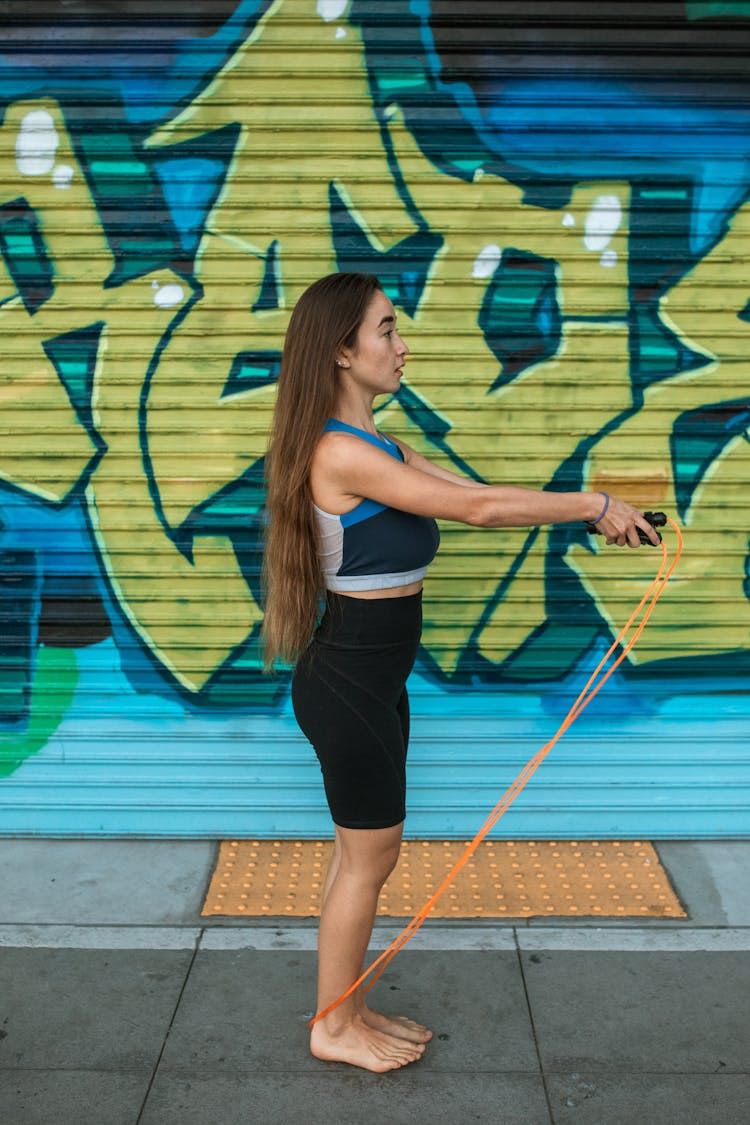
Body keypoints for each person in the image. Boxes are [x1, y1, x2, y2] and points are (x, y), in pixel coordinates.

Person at [261, 271, 660, 1074]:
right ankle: (332, 1027)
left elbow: (473, 491)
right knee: (368, 859)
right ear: (342, 351)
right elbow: (477, 512)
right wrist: (591, 505)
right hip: (349, 683)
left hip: (371, 679)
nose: (401, 345)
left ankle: (347, 1009)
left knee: (360, 856)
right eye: (385, 329)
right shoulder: (340, 451)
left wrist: (602, 508)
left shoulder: (376, 442)